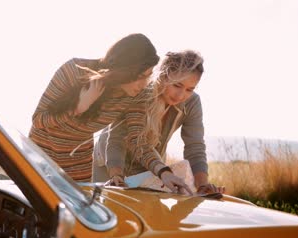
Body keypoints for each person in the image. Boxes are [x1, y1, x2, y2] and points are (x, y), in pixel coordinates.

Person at [29, 33, 160, 182]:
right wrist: (78, 108)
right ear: (125, 68)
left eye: (148, 76)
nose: (144, 84)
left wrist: (163, 172)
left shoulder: (138, 94)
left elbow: (137, 141)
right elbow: (38, 120)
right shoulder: (74, 70)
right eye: (141, 76)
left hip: (78, 167)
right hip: (40, 158)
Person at [93, 50, 224, 194]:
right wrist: (116, 175)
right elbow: (117, 139)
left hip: (153, 164)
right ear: (163, 76)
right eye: (177, 85)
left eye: (189, 89)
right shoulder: (138, 92)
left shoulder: (192, 103)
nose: (181, 95)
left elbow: (195, 147)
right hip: (112, 161)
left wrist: (203, 185)